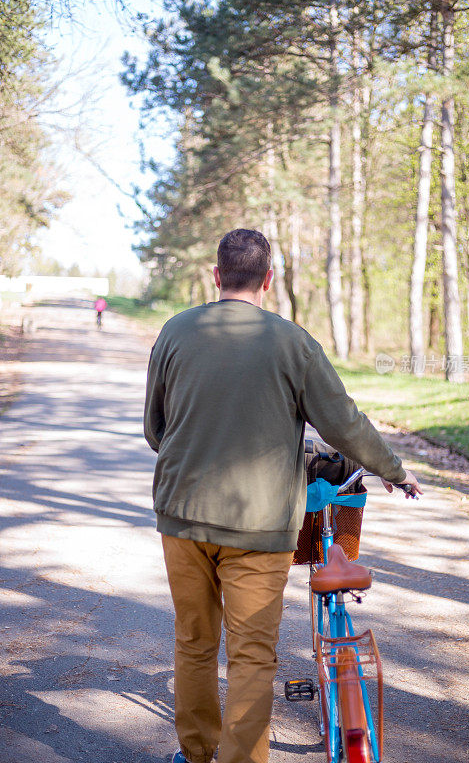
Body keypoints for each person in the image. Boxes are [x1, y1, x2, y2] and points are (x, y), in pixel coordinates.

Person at [144, 229, 422, 763]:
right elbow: (343, 423)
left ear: (216, 275)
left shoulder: (174, 333)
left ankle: (196, 754)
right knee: (252, 654)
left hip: (181, 517)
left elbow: (156, 428)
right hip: (261, 526)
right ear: (268, 280)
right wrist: (392, 469)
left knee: (195, 644)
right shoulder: (294, 343)